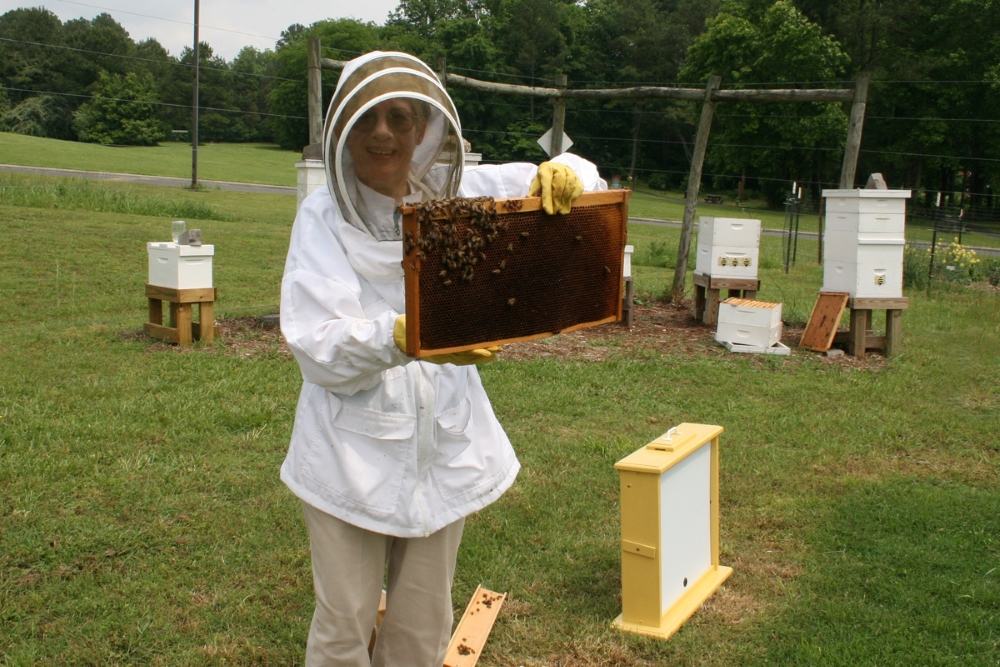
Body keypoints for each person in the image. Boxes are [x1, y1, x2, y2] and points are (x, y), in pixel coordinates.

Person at [279, 51, 606, 667]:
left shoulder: (459, 193)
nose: (383, 132)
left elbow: (577, 174)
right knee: (344, 623)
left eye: (399, 118)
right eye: (368, 118)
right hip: (349, 454)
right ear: (343, 131)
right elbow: (318, 344)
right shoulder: (323, 217)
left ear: (423, 129)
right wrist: (404, 335)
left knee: (423, 625)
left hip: (443, 445)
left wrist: (563, 175)